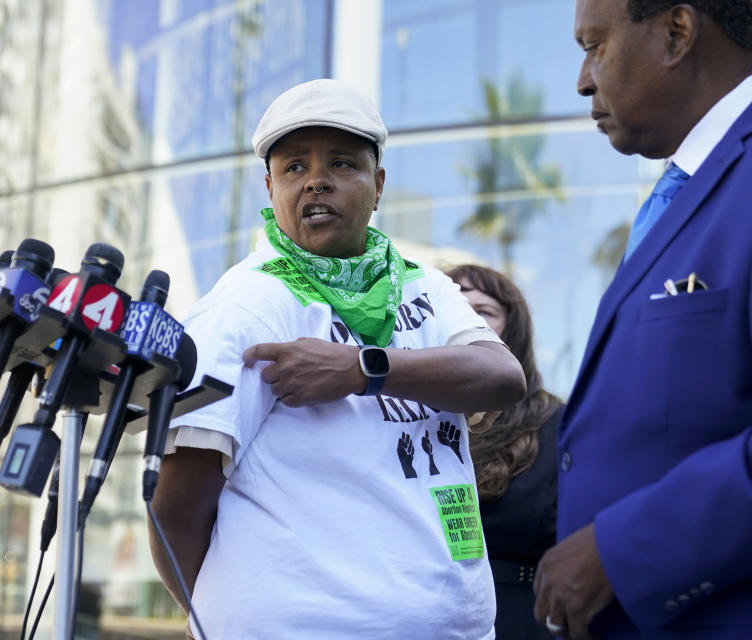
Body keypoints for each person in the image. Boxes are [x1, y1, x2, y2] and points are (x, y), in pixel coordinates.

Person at [147, 78, 526, 640]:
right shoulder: (245, 305)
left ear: (377, 185)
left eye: (342, 163)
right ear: (270, 185)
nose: (317, 180)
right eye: (295, 167)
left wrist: (360, 369)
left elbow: (501, 377)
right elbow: (175, 508)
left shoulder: (422, 285)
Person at [532, 2, 752, 638]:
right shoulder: (686, 189)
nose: (581, 79)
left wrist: (622, 550)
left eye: (594, 45)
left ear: (677, 34)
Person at [447, 264, 563, 640]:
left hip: (517, 618)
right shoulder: (399, 420)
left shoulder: (557, 423)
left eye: (482, 312)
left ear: (514, 333)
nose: (465, 321)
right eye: (453, 308)